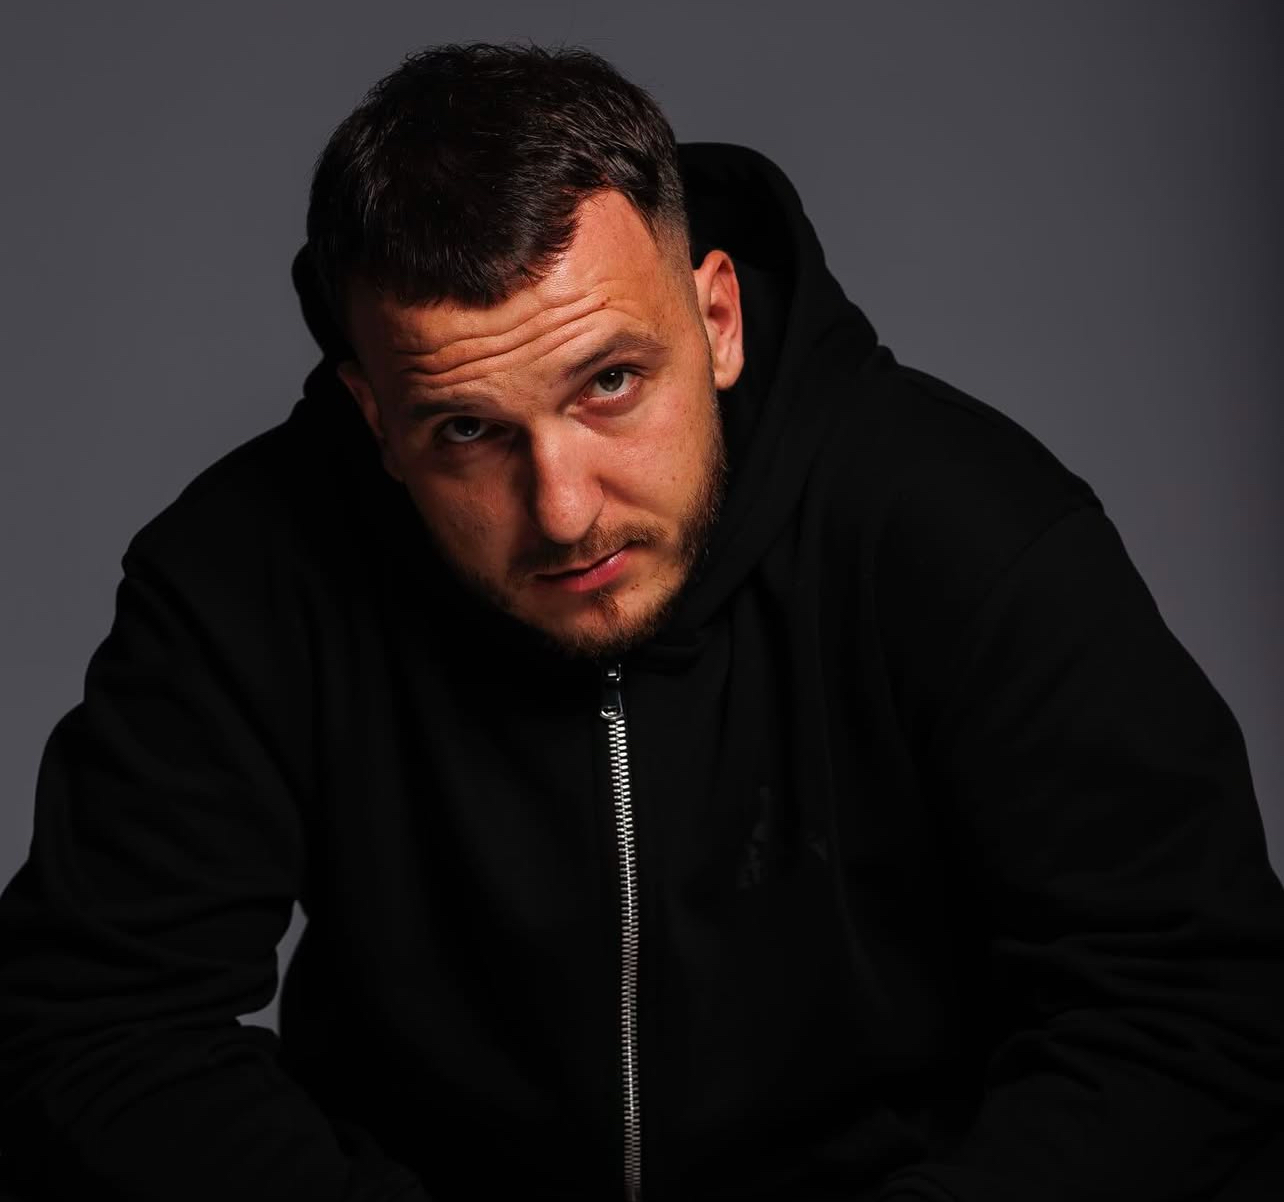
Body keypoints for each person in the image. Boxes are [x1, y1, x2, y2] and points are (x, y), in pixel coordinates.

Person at [1, 41, 1282, 1202]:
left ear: (716, 319)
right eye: (468, 430)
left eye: (610, 382)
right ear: (375, 416)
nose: (563, 511)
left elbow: (1192, 998)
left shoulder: (959, 528)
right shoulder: (244, 574)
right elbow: (97, 1023)